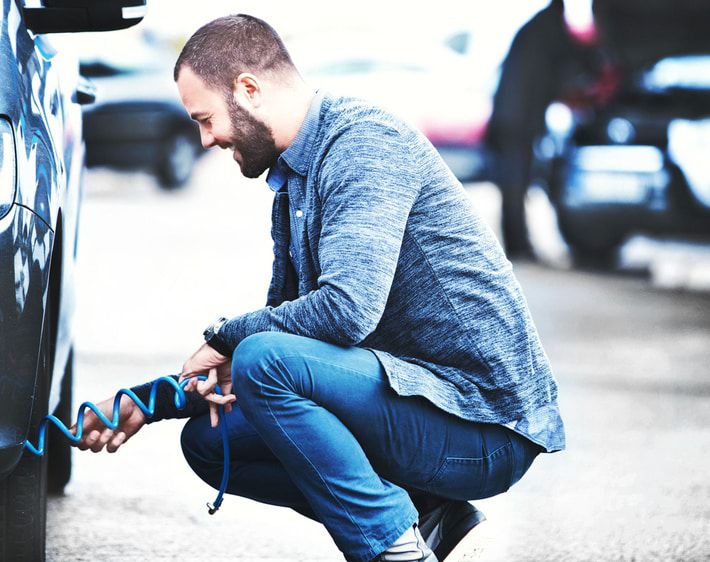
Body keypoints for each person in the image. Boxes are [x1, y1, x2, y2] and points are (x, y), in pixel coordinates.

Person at [72, 14, 565, 562]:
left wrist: (226, 336)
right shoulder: (295, 177)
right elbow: (288, 338)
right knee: (212, 445)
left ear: (249, 89)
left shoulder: (364, 143)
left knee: (263, 359)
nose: (205, 138)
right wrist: (143, 402)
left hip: (483, 424)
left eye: (206, 119)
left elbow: (342, 314)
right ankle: (427, 513)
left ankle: (391, 548)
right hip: (417, 407)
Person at [486, 0, 615, 259]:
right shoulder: (549, 29)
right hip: (517, 118)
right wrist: (597, 68)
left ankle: (518, 243)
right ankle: (518, 246)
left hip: (511, 115)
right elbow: (569, 63)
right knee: (515, 182)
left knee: (514, 181)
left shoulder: (536, 27)